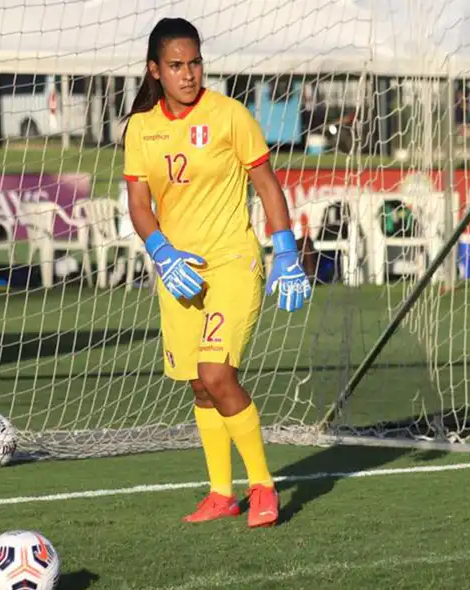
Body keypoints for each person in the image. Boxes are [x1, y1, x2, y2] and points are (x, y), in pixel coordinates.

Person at [123, 17, 311, 528]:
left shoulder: (230, 115)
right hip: (178, 270)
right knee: (199, 386)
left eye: (196, 62)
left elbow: (268, 186)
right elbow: (139, 205)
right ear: (155, 70)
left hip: (233, 262)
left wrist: (286, 253)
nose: (189, 73)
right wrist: (161, 251)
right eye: (177, 65)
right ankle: (220, 493)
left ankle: (263, 486)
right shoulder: (141, 128)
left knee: (217, 373)